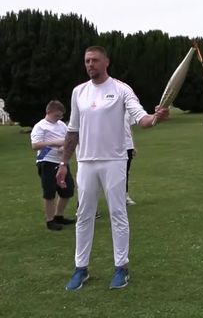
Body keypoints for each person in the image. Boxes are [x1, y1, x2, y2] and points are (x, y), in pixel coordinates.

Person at [57, 46, 169, 291]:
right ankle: (80, 269)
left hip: (114, 161)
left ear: (106, 62)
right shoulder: (79, 92)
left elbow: (142, 119)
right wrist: (64, 163)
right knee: (84, 216)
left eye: (95, 60)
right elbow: (72, 130)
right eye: (87, 60)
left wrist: (156, 116)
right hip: (85, 162)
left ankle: (121, 268)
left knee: (118, 213)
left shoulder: (121, 89)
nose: (90, 65)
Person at [30, 100, 76, 231]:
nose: (59, 118)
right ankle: (50, 221)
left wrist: (64, 147)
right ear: (48, 112)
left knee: (67, 190)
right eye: (56, 115)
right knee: (49, 192)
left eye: (61, 116)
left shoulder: (61, 125)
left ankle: (59, 216)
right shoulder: (40, 126)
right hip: (46, 162)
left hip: (62, 162)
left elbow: (68, 139)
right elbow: (35, 145)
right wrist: (56, 143)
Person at [124, 111, 137, 206]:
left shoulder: (128, 110)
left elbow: (130, 128)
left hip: (128, 146)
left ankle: (125, 196)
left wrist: (133, 145)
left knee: (125, 173)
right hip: (114, 147)